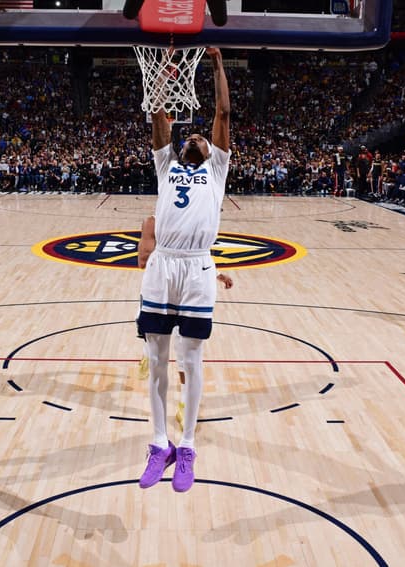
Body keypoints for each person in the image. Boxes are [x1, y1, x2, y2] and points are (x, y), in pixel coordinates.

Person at [136, 47, 230, 493]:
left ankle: (187, 446)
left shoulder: (216, 170)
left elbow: (224, 113)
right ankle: (159, 444)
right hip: (164, 263)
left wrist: (214, 63)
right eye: (187, 136)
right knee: (157, 360)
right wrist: (164, 70)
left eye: (202, 137)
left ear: (212, 150)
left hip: (196, 267)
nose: (195, 137)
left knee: (191, 361)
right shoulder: (165, 164)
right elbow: (158, 115)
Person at [136, 215, 233, 432]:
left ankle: (182, 402)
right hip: (172, 286)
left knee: (179, 351)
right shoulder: (186, 222)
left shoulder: (154, 222)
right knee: (179, 350)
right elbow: (146, 261)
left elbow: (143, 261)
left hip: (170, 286)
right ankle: (182, 400)